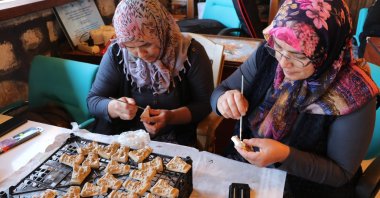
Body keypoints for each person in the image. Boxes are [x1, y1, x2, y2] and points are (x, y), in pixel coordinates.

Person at [210, 0, 379, 197]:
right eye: (279, 47)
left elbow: (340, 173)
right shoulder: (269, 54)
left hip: (307, 187)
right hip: (247, 170)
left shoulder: (354, 94)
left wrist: (284, 156)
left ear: (326, 50)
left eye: (297, 55)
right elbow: (220, 91)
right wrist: (223, 101)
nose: (282, 63)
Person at [87, 0, 213, 146]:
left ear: (161, 30)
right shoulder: (117, 53)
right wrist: (113, 107)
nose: (140, 54)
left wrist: (171, 117)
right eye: (130, 47)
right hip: (125, 138)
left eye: (146, 44)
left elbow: (204, 104)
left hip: (174, 140)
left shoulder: (191, 53)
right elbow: (93, 100)